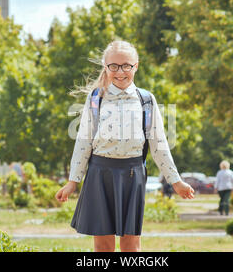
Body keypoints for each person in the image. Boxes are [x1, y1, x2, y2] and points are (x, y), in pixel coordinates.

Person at [55, 40, 194, 252]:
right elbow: (83, 143)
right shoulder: (95, 99)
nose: (120, 72)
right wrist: (73, 181)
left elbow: (159, 144)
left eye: (126, 66)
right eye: (114, 66)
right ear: (106, 67)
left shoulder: (146, 100)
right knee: (103, 245)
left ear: (136, 66)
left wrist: (176, 181)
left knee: (131, 245)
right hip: (99, 175)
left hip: (133, 175)